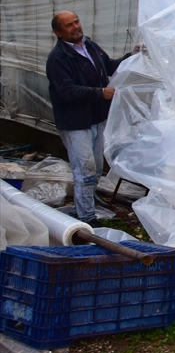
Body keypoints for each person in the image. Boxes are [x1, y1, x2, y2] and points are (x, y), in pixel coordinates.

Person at [44, 12, 135, 224]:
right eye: (68, 25)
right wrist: (100, 93)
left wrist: (133, 55)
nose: (75, 27)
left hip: (95, 119)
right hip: (75, 123)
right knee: (85, 169)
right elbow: (67, 91)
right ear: (58, 32)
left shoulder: (89, 46)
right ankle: (86, 218)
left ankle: (83, 208)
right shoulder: (58, 58)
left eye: (76, 22)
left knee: (95, 169)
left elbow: (109, 66)